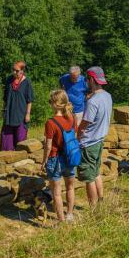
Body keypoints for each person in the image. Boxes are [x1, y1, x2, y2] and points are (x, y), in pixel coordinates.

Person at [77, 67, 112, 207]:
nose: (86, 82)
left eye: (87, 79)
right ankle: (101, 200)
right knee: (96, 172)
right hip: (99, 140)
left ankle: (93, 207)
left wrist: (77, 137)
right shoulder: (107, 96)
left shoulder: (93, 101)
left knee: (89, 178)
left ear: (92, 79)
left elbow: (84, 124)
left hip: (89, 143)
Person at [41, 90, 77, 222]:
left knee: (56, 192)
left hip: (55, 158)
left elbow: (48, 145)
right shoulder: (72, 118)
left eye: (50, 101)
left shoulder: (50, 122)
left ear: (56, 104)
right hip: (70, 157)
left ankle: (61, 221)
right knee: (70, 187)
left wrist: (44, 161)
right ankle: (70, 214)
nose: (50, 104)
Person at [1, 61, 34, 151]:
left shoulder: (27, 82)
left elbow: (29, 100)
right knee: (6, 139)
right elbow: (5, 97)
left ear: (22, 71)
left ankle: (21, 159)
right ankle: (7, 157)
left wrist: (28, 113)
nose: (14, 72)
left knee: (20, 139)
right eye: (13, 70)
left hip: (21, 114)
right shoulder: (9, 80)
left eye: (17, 70)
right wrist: (3, 109)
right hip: (9, 114)